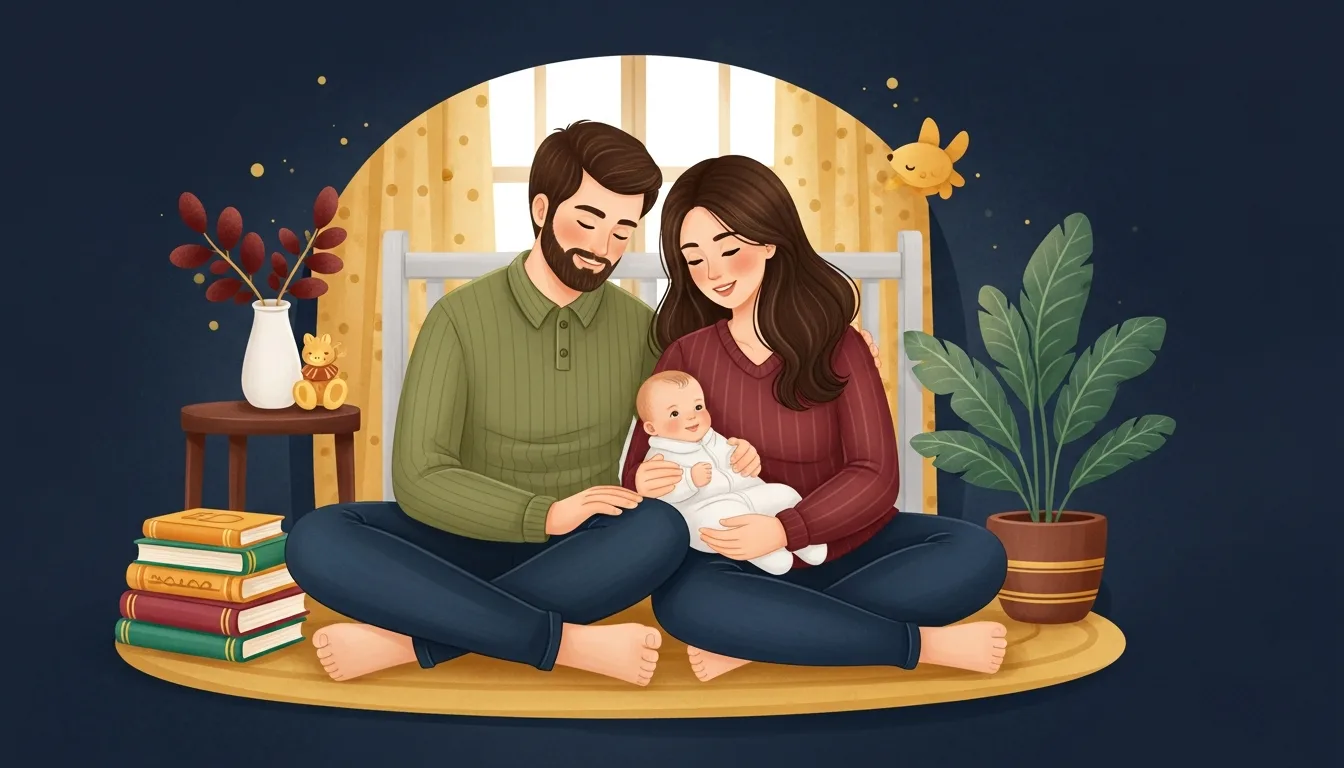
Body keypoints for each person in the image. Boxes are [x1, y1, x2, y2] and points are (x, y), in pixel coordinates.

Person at [286, 121, 690, 686]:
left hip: (580, 555)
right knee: (318, 537)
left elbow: (674, 435)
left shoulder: (643, 331)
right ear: (542, 209)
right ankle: (566, 643)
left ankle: (415, 642)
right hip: (457, 544)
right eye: (589, 220)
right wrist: (544, 514)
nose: (603, 248)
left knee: (661, 530)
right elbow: (420, 476)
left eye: (623, 231)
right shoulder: (458, 318)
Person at [622, 155, 1011, 682]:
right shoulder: (686, 355)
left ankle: (767, 638)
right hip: (735, 562)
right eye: (693, 259)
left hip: (847, 545)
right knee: (685, 602)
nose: (712, 272)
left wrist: (786, 529)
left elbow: (875, 474)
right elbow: (645, 470)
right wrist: (645, 481)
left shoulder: (839, 345)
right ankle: (915, 645)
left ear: (768, 242)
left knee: (976, 554)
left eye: (728, 250)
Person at [634, 370, 825, 575]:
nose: (692, 416)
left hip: (747, 494)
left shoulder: (712, 437)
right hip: (704, 508)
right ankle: (767, 556)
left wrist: (739, 452)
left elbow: (732, 459)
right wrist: (690, 480)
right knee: (722, 522)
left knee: (784, 493)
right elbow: (661, 495)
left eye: (698, 407)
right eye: (674, 413)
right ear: (652, 428)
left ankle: (807, 544)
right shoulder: (660, 457)